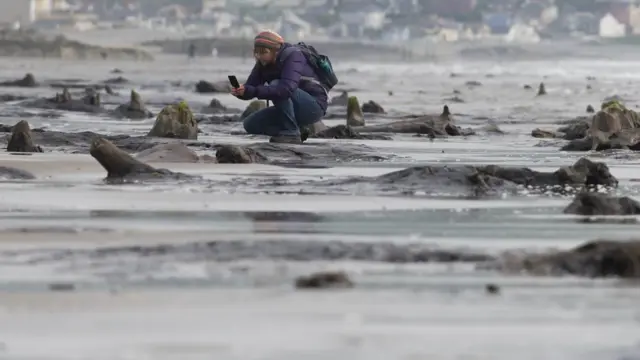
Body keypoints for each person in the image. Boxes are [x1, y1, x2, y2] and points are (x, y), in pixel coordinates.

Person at [231, 30, 328, 144]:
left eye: (263, 52)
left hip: (313, 106)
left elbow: (286, 89)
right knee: (250, 125)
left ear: (275, 51)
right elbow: (251, 87)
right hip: (290, 109)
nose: (259, 56)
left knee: (276, 85)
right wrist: (242, 92)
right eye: (256, 52)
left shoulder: (294, 56)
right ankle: (299, 131)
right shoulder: (262, 64)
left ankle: (291, 132)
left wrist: (253, 90)